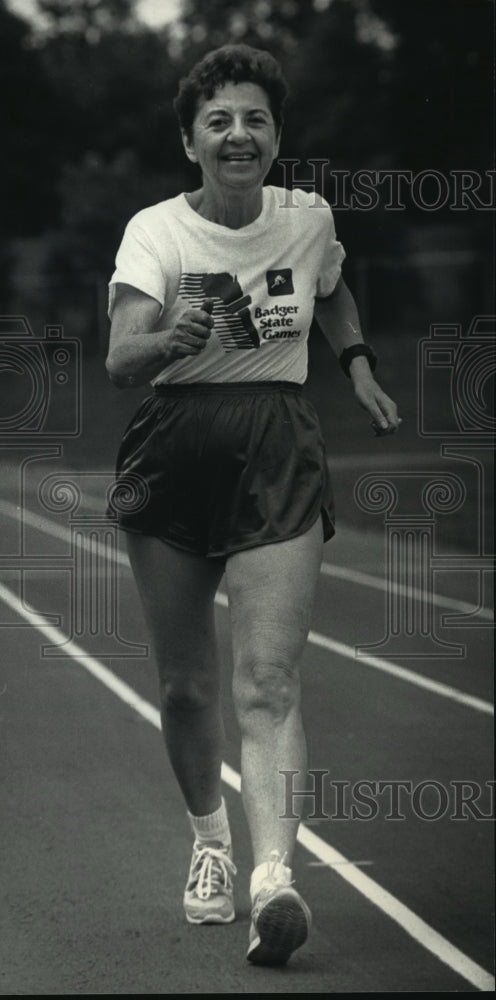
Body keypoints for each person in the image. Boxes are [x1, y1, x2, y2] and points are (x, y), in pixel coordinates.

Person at [106, 43, 400, 967]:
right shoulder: (155, 233)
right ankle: (209, 845)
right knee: (188, 686)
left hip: (277, 442)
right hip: (178, 446)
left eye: (257, 118)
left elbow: (333, 286)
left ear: (277, 137)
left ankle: (275, 878)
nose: (240, 133)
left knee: (268, 681)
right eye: (219, 120)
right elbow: (118, 359)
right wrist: (167, 338)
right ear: (190, 141)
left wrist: (354, 364)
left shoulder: (308, 219)